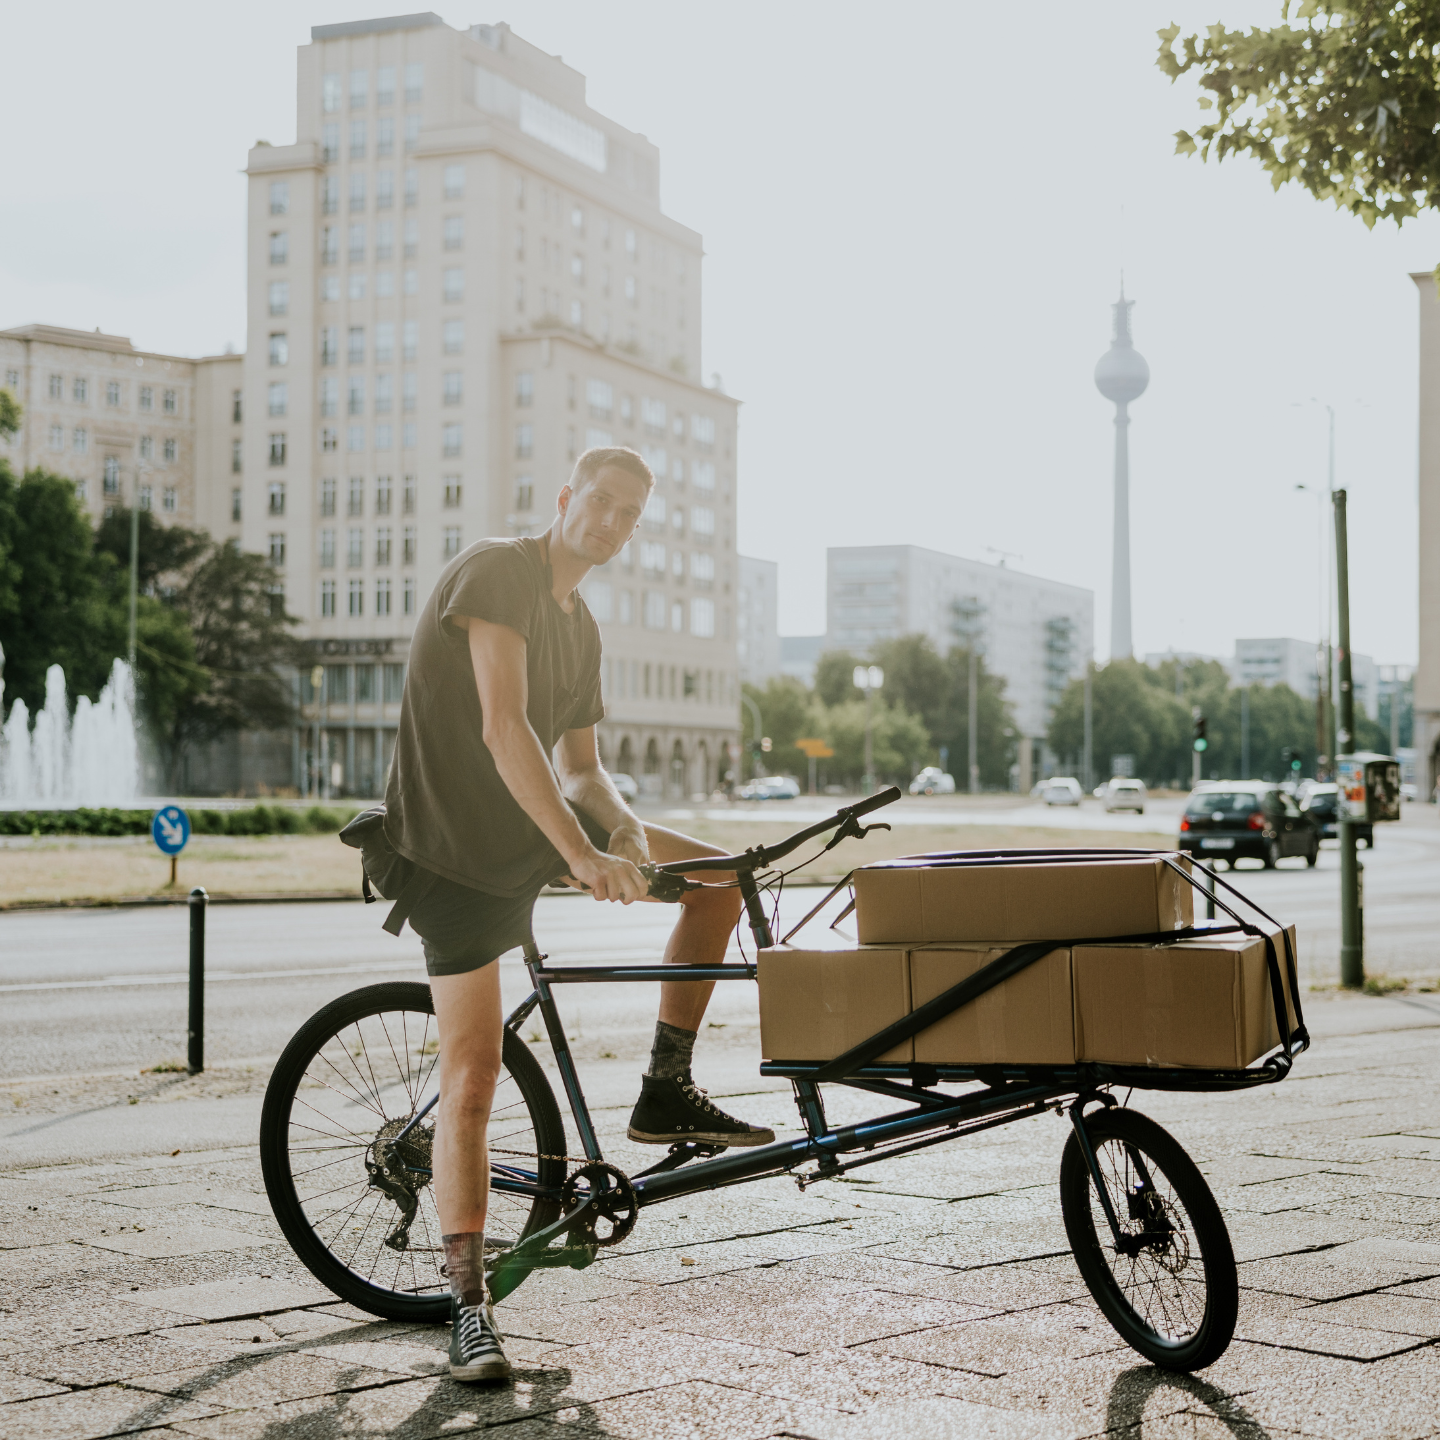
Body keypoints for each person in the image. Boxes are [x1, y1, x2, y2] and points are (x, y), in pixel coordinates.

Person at [382, 447, 774, 1383]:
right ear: (564, 500)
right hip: (455, 856)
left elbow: (585, 770)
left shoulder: (583, 625)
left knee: (717, 880)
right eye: (599, 500)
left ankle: (664, 1088)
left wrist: (628, 837)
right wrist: (582, 858)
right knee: (473, 1075)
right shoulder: (498, 570)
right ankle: (469, 1310)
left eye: (628, 512)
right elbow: (503, 725)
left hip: (537, 834)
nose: (611, 520)